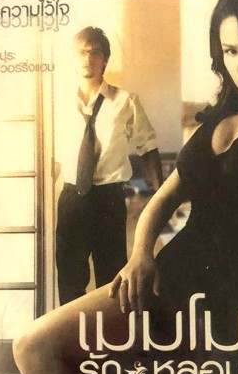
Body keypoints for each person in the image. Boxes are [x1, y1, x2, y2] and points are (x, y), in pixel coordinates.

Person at [14, 0, 238, 374]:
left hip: (221, 300)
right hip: (165, 275)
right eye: (231, 51)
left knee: (36, 351)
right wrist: (141, 255)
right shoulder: (222, 117)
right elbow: (161, 201)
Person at [54, 26, 164, 304]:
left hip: (108, 199)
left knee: (111, 280)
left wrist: (160, 196)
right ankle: (76, 333)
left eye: (94, 52)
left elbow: (148, 147)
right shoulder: (60, 102)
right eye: (81, 52)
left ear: (105, 59)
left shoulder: (125, 101)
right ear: (72, 57)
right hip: (71, 198)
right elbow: (53, 157)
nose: (87, 59)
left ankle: (111, 333)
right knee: (69, 279)